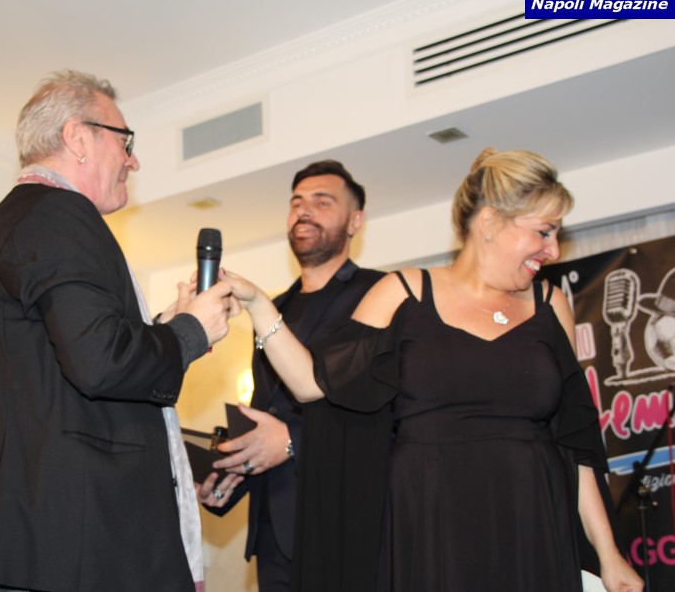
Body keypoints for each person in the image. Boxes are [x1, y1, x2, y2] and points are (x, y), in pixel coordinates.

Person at [222, 148, 644, 592]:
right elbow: (311, 383)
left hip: (533, 518)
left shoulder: (551, 304)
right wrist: (258, 304)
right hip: (429, 521)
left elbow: (575, 447)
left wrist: (610, 556)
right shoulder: (402, 293)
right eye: (543, 232)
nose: (553, 250)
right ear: (489, 222)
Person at [0, 69, 238, 592]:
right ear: (78, 138)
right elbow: (101, 363)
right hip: (68, 550)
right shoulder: (60, 214)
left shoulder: (19, 219)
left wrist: (166, 325)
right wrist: (191, 331)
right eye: (125, 142)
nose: (133, 161)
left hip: (33, 546)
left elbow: (62, 373)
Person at [194, 160, 383, 590]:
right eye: (296, 202)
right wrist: (227, 480)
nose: (304, 211)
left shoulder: (378, 295)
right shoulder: (275, 307)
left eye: (322, 201)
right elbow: (267, 416)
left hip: (342, 526)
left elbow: (379, 415)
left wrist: (294, 440)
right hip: (272, 534)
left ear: (355, 221)